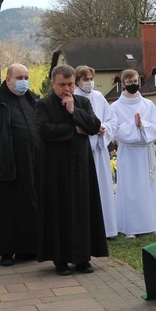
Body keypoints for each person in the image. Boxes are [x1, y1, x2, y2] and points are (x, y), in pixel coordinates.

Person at [36, 64, 107, 276]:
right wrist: (74, 129)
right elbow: (44, 130)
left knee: (83, 208)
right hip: (55, 167)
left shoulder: (82, 102)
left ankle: (83, 258)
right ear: (53, 84)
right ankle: (60, 260)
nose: (66, 89)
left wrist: (73, 111)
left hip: (82, 166)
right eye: (62, 85)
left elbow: (94, 125)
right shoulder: (44, 104)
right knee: (59, 211)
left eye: (70, 84)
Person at [0, 63, 40, 266]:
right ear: (8, 79)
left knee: (29, 206)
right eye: (19, 77)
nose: (24, 81)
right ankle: (6, 251)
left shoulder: (33, 99)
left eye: (26, 77)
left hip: (30, 163)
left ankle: (28, 248)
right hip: (4, 162)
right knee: (6, 208)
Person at [111, 69, 156, 239]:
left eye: (136, 81)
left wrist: (142, 125)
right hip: (128, 152)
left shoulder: (148, 105)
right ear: (123, 84)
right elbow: (115, 129)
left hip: (145, 151)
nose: (133, 84)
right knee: (131, 188)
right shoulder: (115, 107)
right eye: (130, 82)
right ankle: (131, 227)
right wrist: (133, 126)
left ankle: (152, 223)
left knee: (149, 187)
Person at [73, 65, 118, 238]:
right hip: (84, 148)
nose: (89, 83)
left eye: (91, 79)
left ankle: (107, 228)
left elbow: (112, 120)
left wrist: (103, 128)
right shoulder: (74, 97)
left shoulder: (99, 97)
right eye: (85, 79)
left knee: (103, 188)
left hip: (99, 150)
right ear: (78, 81)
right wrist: (91, 129)